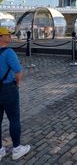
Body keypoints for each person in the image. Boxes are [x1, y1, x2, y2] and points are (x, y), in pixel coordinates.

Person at [0, 27, 30, 161]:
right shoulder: (9, 52)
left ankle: (0, 150)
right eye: (7, 35)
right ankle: (17, 149)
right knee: (14, 119)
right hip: (8, 89)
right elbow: (18, 72)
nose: (10, 37)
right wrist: (17, 83)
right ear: (0, 36)